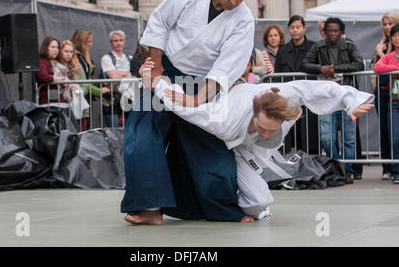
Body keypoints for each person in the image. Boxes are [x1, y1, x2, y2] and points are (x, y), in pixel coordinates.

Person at [140, 58, 374, 219]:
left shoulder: (285, 98)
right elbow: (184, 108)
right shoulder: (223, 119)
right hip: (236, 146)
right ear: (254, 113)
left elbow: (315, 88)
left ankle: (251, 205)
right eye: (261, 127)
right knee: (243, 192)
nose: (264, 133)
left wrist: (351, 101)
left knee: (259, 203)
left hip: (255, 146)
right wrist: (159, 83)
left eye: (270, 130)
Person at [121, 0, 255, 225]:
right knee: (141, 132)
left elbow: (225, 68)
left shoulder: (244, 20)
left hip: (203, 85)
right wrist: (157, 65)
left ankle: (222, 209)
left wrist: (196, 100)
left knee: (209, 146)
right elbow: (159, 20)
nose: (234, 1)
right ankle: (149, 209)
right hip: (168, 74)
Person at [302, 17, 365, 184]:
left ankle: (348, 170)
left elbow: (359, 65)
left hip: (346, 96)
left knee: (348, 137)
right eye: (330, 30)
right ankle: (336, 167)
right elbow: (305, 64)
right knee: (326, 138)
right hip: (326, 98)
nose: (333, 34)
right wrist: (320, 68)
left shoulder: (349, 46)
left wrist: (335, 68)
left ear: (342, 31)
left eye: (336, 30)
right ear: (325, 32)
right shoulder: (318, 46)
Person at [274, 15, 318, 154]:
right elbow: (277, 73)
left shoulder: (313, 47)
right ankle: (291, 160)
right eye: (292, 27)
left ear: (304, 29)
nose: (295, 30)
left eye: (298, 27)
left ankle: (308, 159)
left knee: (308, 132)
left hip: (307, 96)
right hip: (288, 97)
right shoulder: (283, 50)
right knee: (290, 132)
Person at [372, 12, 399, 180]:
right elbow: (378, 67)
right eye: (384, 24)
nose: (387, 27)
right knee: (388, 131)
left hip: (391, 92)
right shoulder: (383, 46)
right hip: (386, 93)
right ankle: (390, 168)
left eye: (390, 24)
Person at [71, 28, 108, 129]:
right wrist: (99, 91)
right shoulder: (75, 58)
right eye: (89, 41)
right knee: (80, 128)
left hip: (85, 98)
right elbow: (83, 81)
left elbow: (87, 80)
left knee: (85, 127)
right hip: (78, 98)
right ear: (82, 42)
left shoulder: (84, 57)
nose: (91, 44)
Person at [100, 30, 133, 127]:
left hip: (129, 98)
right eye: (115, 40)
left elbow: (133, 74)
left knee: (129, 129)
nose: (118, 43)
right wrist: (127, 74)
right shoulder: (106, 58)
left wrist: (118, 73)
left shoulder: (129, 58)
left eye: (121, 40)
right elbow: (113, 77)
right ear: (111, 42)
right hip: (112, 99)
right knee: (114, 131)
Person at [35, 37, 69, 106]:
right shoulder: (41, 62)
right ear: (45, 48)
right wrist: (60, 79)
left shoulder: (55, 63)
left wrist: (65, 83)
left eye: (57, 47)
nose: (56, 50)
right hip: (49, 104)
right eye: (53, 47)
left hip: (60, 101)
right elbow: (43, 76)